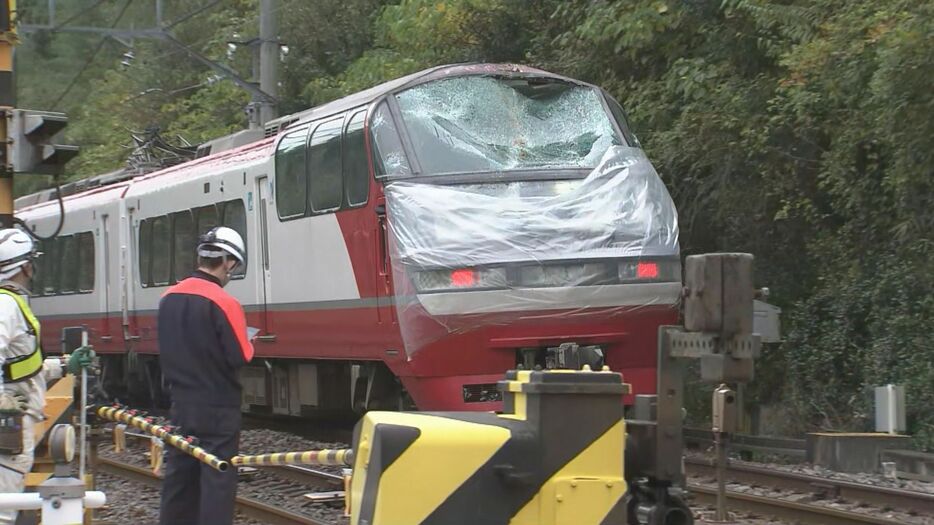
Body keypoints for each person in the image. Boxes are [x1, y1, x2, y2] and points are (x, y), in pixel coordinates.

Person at [158, 226, 254, 525]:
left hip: (181, 406)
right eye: (233, 267)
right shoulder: (225, 303)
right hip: (218, 410)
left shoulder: (167, 298)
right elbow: (241, 355)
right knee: (216, 485)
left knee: (178, 484)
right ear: (227, 261)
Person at [0, 228, 93, 525]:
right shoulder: (6, 306)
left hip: (14, 423)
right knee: (4, 510)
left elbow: (22, 367)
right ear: (25, 265)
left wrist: (65, 366)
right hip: (9, 429)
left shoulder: (10, 304)